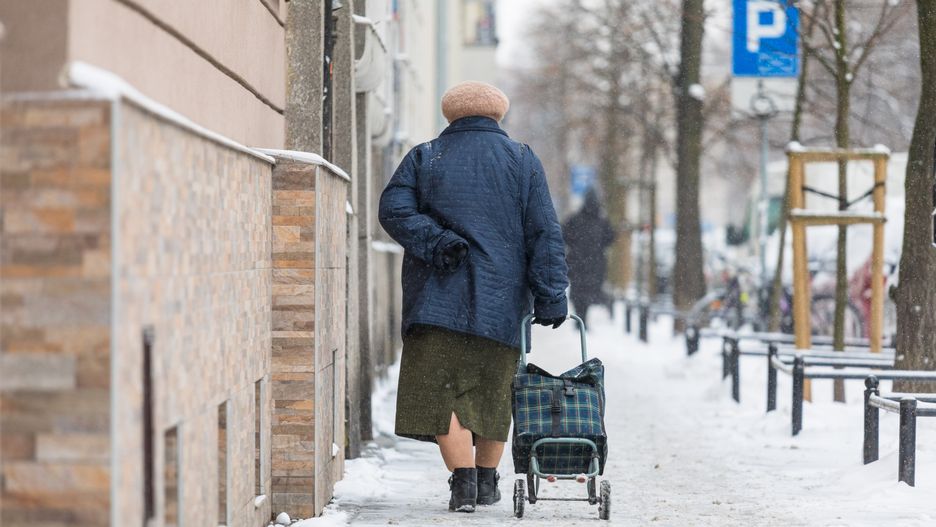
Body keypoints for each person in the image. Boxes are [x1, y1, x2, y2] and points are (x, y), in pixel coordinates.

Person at [378, 81, 569, 513]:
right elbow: (544, 233)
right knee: (494, 395)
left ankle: (463, 484)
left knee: (439, 395)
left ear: (451, 115)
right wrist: (551, 294)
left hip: (435, 302)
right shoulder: (523, 161)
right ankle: (486, 482)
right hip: (503, 305)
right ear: (497, 114)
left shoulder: (425, 157)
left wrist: (438, 242)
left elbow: (393, 210)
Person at [562, 190, 616, 328]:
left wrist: (576, 247)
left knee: (578, 291)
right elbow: (610, 237)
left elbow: (564, 234)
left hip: (578, 263)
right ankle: (582, 318)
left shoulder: (575, 219)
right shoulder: (601, 221)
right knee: (589, 291)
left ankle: (580, 317)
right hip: (594, 263)